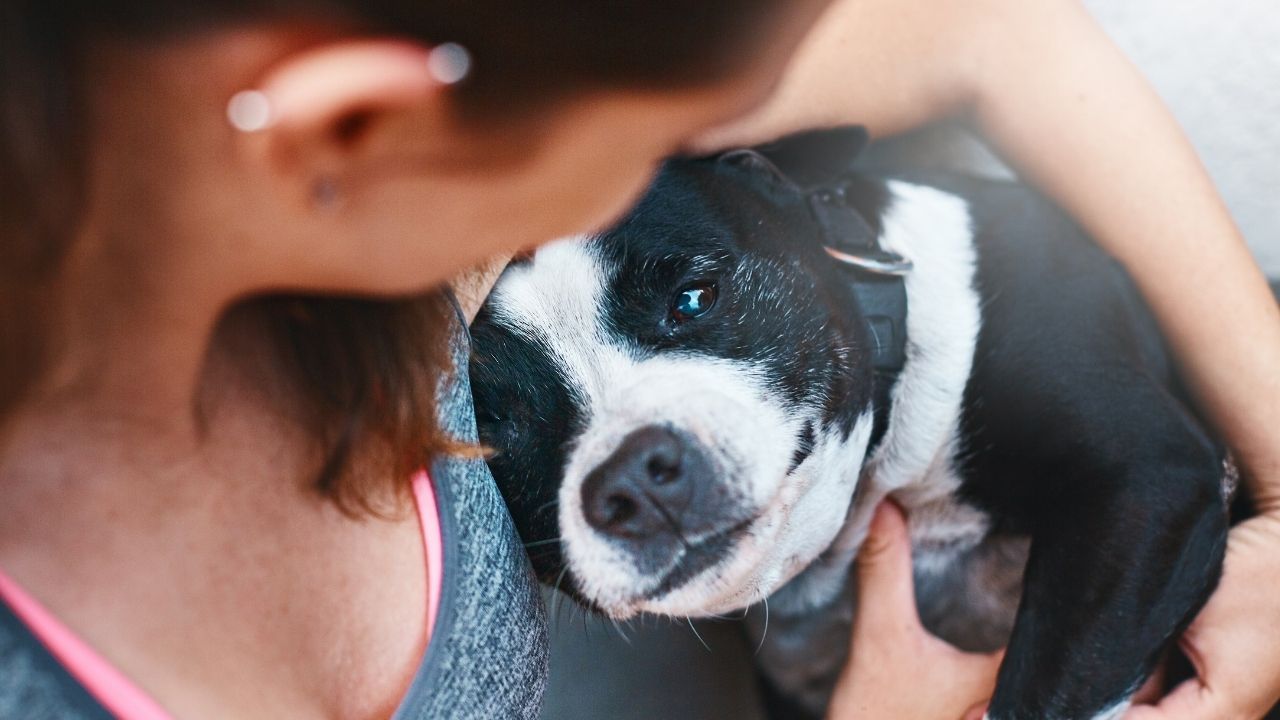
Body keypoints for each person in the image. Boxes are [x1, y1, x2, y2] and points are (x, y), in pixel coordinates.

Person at [0, 0, 1275, 718]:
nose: (669, 164)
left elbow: (982, 34)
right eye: (646, 145)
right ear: (366, 124)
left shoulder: (415, 231)